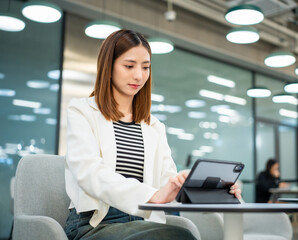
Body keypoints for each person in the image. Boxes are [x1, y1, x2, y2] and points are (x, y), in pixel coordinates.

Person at [64, 29, 242, 240]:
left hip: (140, 223)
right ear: (108, 67)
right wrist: (152, 195)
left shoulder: (154, 126)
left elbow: (166, 183)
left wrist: (209, 190)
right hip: (93, 224)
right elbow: (90, 172)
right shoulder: (82, 111)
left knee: (180, 235)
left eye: (146, 67)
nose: (139, 76)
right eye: (129, 66)